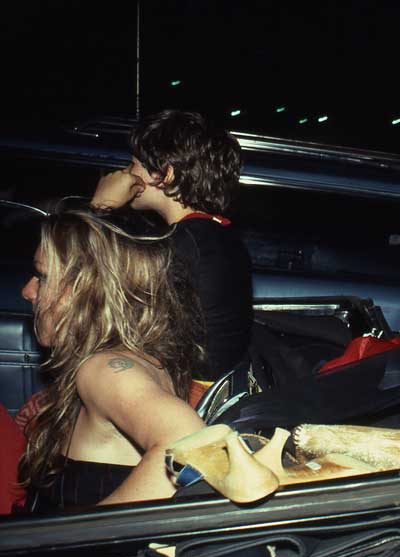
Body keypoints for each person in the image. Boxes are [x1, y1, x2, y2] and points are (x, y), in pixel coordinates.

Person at [16, 209, 209, 509]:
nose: (27, 291)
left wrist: (88, 532)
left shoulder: (105, 369)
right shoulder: (137, 358)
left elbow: (189, 441)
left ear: (87, 290)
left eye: (42, 277)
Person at [90, 110, 252, 381]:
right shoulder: (217, 233)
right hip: (219, 384)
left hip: (191, 391)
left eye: (133, 164)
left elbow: (81, 278)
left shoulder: (181, 243)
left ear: (164, 174)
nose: (125, 173)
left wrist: (101, 206)